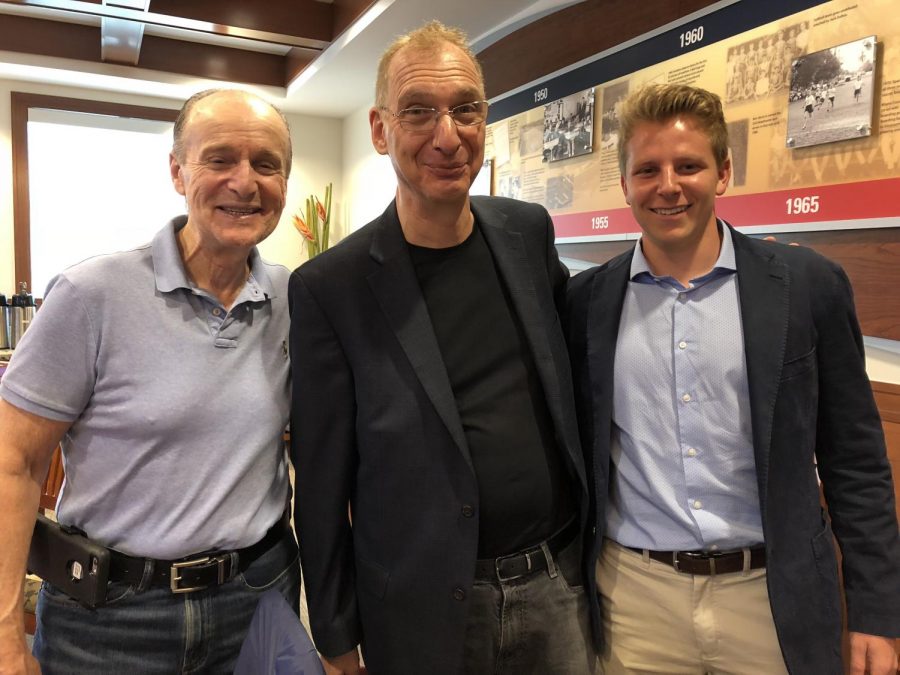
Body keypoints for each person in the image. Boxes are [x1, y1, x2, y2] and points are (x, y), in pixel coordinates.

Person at [289, 20, 596, 675]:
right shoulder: (330, 287)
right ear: (380, 129)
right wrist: (337, 638)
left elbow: (580, 342)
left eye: (466, 109)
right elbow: (319, 485)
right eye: (419, 112)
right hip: (423, 609)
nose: (447, 135)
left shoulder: (526, 233)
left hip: (556, 585)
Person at [564, 82, 900, 674]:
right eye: (647, 170)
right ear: (624, 185)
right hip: (635, 604)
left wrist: (877, 609)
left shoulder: (807, 286)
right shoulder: (586, 302)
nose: (668, 185)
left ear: (723, 172)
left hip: (773, 598)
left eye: (688, 166)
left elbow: (856, 459)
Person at [0, 88, 300, 673]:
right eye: (219, 159)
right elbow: (12, 462)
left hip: (258, 599)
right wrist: (6, 632)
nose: (245, 182)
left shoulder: (296, 299)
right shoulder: (92, 296)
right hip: (112, 618)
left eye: (267, 164)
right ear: (177, 171)